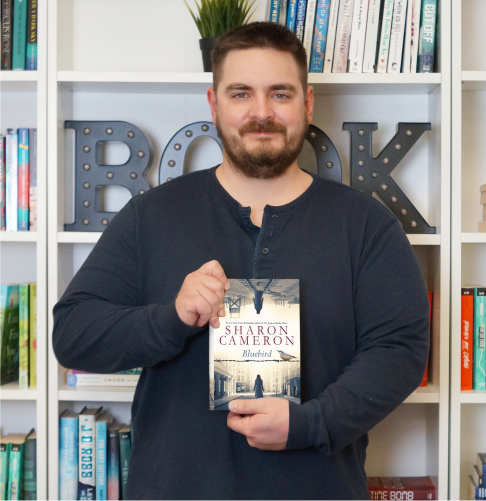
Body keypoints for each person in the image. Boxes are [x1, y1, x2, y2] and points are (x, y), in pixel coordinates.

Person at [52, 22, 430, 500]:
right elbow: (72, 335)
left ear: (307, 103)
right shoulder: (152, 214)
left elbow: (400, 351)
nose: (261, 113)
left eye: (280, 94)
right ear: (214, 105)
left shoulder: (365, 224)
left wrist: (308, 424)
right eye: (240, 93)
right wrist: (171, 317)